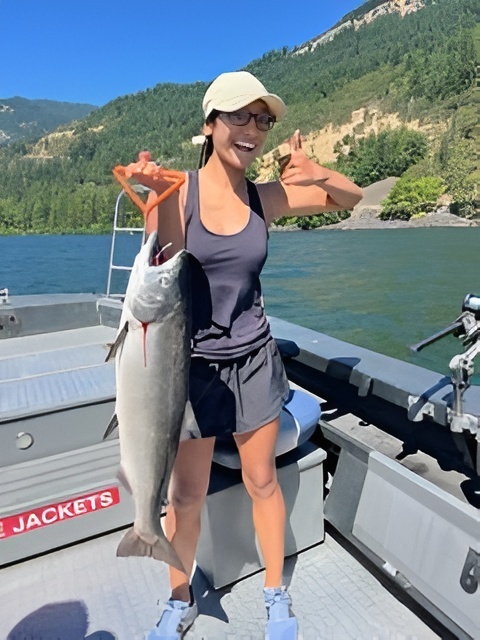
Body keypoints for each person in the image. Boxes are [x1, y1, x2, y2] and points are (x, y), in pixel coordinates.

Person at [127, 70, 363, 640]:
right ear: (210, 125)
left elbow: (349, 199)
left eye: (261, 120)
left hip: (255, 361)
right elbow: (160, 260)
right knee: (185, 496)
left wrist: (316, 171)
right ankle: (179, 599)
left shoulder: (264, 197)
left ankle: (275, 595)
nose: (252, 129)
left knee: (263, 483)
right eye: (238, 116)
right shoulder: (178, 191)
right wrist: (153, 194)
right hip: (189, 370)